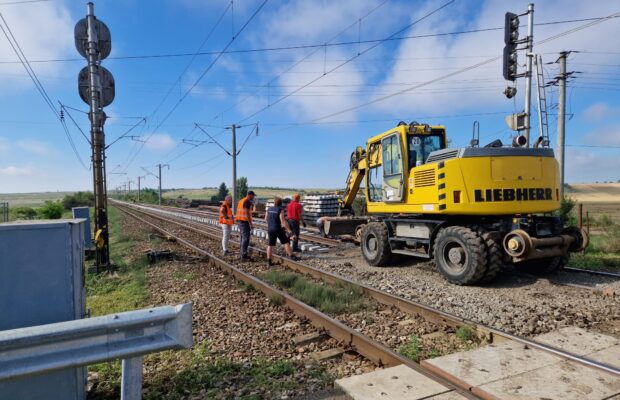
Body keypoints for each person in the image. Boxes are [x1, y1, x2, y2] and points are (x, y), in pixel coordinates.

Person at [266, 197, 299, 265]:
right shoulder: (280, 210)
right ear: (281, 203)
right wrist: (289, 230)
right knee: (286, 242)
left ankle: (269, 260)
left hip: (270, 229)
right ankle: (291, 256)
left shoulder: (269, 209)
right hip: (278, 229)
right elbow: (283, 221)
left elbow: (265, 218)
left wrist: (270, 225)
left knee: (270, 245)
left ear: (274, 202)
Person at [236, 190, 255, 260]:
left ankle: (242, 253)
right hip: (244, 221)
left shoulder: (241, 200)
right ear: (250, 195)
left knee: (242, 237)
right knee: (246, 238)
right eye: (253, 196)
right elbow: (247, 214)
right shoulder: (247, 201)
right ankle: (243, 254)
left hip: (240, 220)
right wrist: (251, 224)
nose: (253, 197)